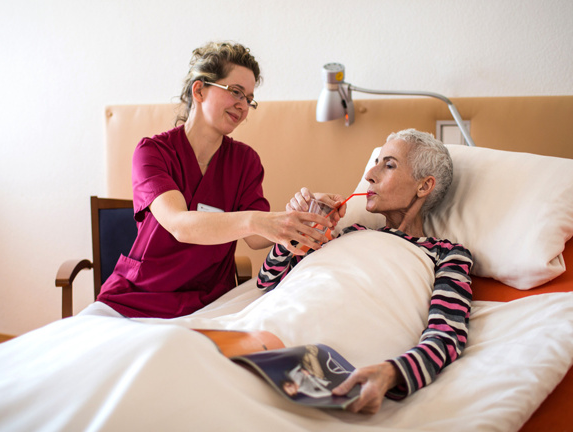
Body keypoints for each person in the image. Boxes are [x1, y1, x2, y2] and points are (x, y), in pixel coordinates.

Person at [89, 41, 337, 319]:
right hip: (138, 297)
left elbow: (256, 239)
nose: (243, 106)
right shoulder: (153, 152)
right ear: (199, 90)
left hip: (208, 303)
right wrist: (259, 220)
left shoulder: (245, 161)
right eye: (235, 92)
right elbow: (180, 225)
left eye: (249, 99)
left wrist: (298, 214)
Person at [257, 129, 474, 415]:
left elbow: (446, 334)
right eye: (375, 162)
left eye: (389, 165)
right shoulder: (349, 233)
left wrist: (392, 372)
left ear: (424, 187)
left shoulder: (445, 254)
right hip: (268, 328)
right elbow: (268, 281)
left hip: (329, 357)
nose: (370, 174)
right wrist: (299, 230)